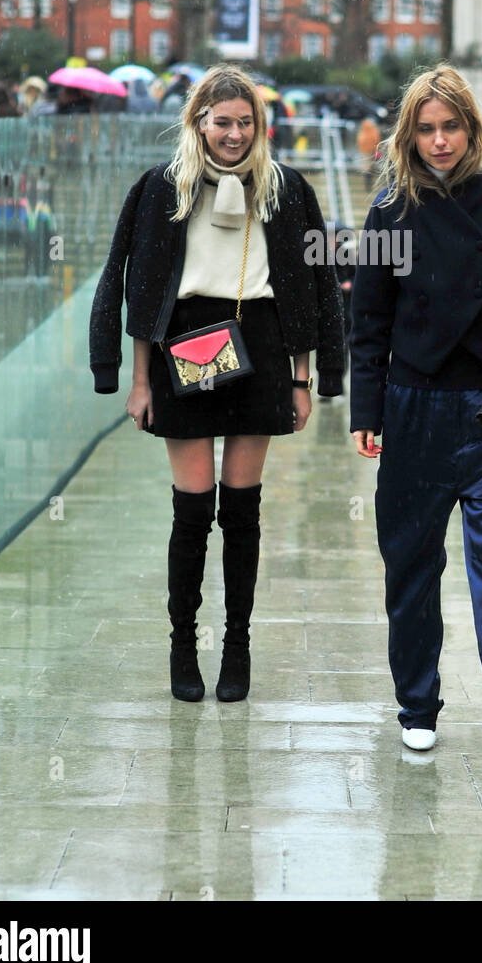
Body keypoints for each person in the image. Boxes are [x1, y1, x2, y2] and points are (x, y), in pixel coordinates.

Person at [89, 65, 345, 705]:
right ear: (197, 121)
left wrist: (306, 377)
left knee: (243, 513)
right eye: (221, 121)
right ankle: (182, 646)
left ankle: (237, 645)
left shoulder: (285, 191)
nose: (233, 134)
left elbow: (314, 291)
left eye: (245, 122)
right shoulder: (160, 189)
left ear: (260, 125)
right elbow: (137, 288)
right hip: (185, 348)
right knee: (191, 512)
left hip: (259, 345)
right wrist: (135, 380)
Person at [349, 64, 482, 768]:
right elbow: (367, 322)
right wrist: (364, 409)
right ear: (409, 134)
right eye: (426, 129)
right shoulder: (387, 211)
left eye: (451, 127)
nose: (439, 141)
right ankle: (416, 705)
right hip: (411, 406)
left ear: (471, 129)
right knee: (408, 567)